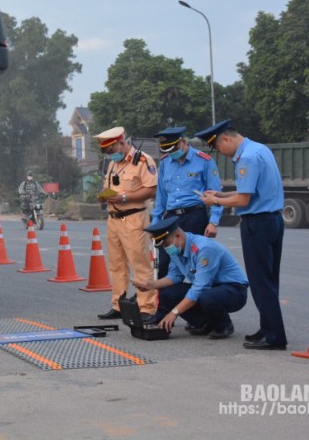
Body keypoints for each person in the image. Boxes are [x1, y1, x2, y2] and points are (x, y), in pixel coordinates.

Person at [196, 119, 288, 351]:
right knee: (269, 279)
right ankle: (268, 329)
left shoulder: (245, 158)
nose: (221, 153)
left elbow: (244, 200)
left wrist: (214, 200)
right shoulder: (259, 149)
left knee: (260, 282)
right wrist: (220, 192)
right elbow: (248, 191)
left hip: (258, 223)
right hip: (273, 220)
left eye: (218, 148)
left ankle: (275, 336)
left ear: (226, 139)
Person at [134, 216, 249, 339]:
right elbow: (175, 276)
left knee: (205, 296)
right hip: (210, 289)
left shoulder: (204, 248)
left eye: (166, 244)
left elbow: (200, 288)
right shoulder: (176, 249)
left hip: (234, 291)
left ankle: (224, 326)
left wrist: (174, 312)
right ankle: (205, 323)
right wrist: (151, 285)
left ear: (177, 236)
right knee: (169, 293)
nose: (166, 248)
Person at [93, 127, 158, 322]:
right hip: (114, 219)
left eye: (112, 151)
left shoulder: (143, 161)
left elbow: (151, 190)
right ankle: (118, 305)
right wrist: (104, 197)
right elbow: (109, 187)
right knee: (117, 264)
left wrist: (124, 197)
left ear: (121, 143)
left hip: (133, 217)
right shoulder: (114, 164)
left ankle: (147, 306)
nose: (111, 155)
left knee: (140, 263)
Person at [149, 126, 223, 279]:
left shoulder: (204, 161)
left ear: (182, 142)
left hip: (194, 216)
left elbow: (216, 194)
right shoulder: (165, 163)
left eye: (173, 148)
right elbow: (161, 197)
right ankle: (166, 301)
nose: (171, 153)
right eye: (167, 150)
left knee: (196, 263)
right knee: (164, 264)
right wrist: (156, 222)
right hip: (170, 220)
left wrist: (213, 222)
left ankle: (196, 300)